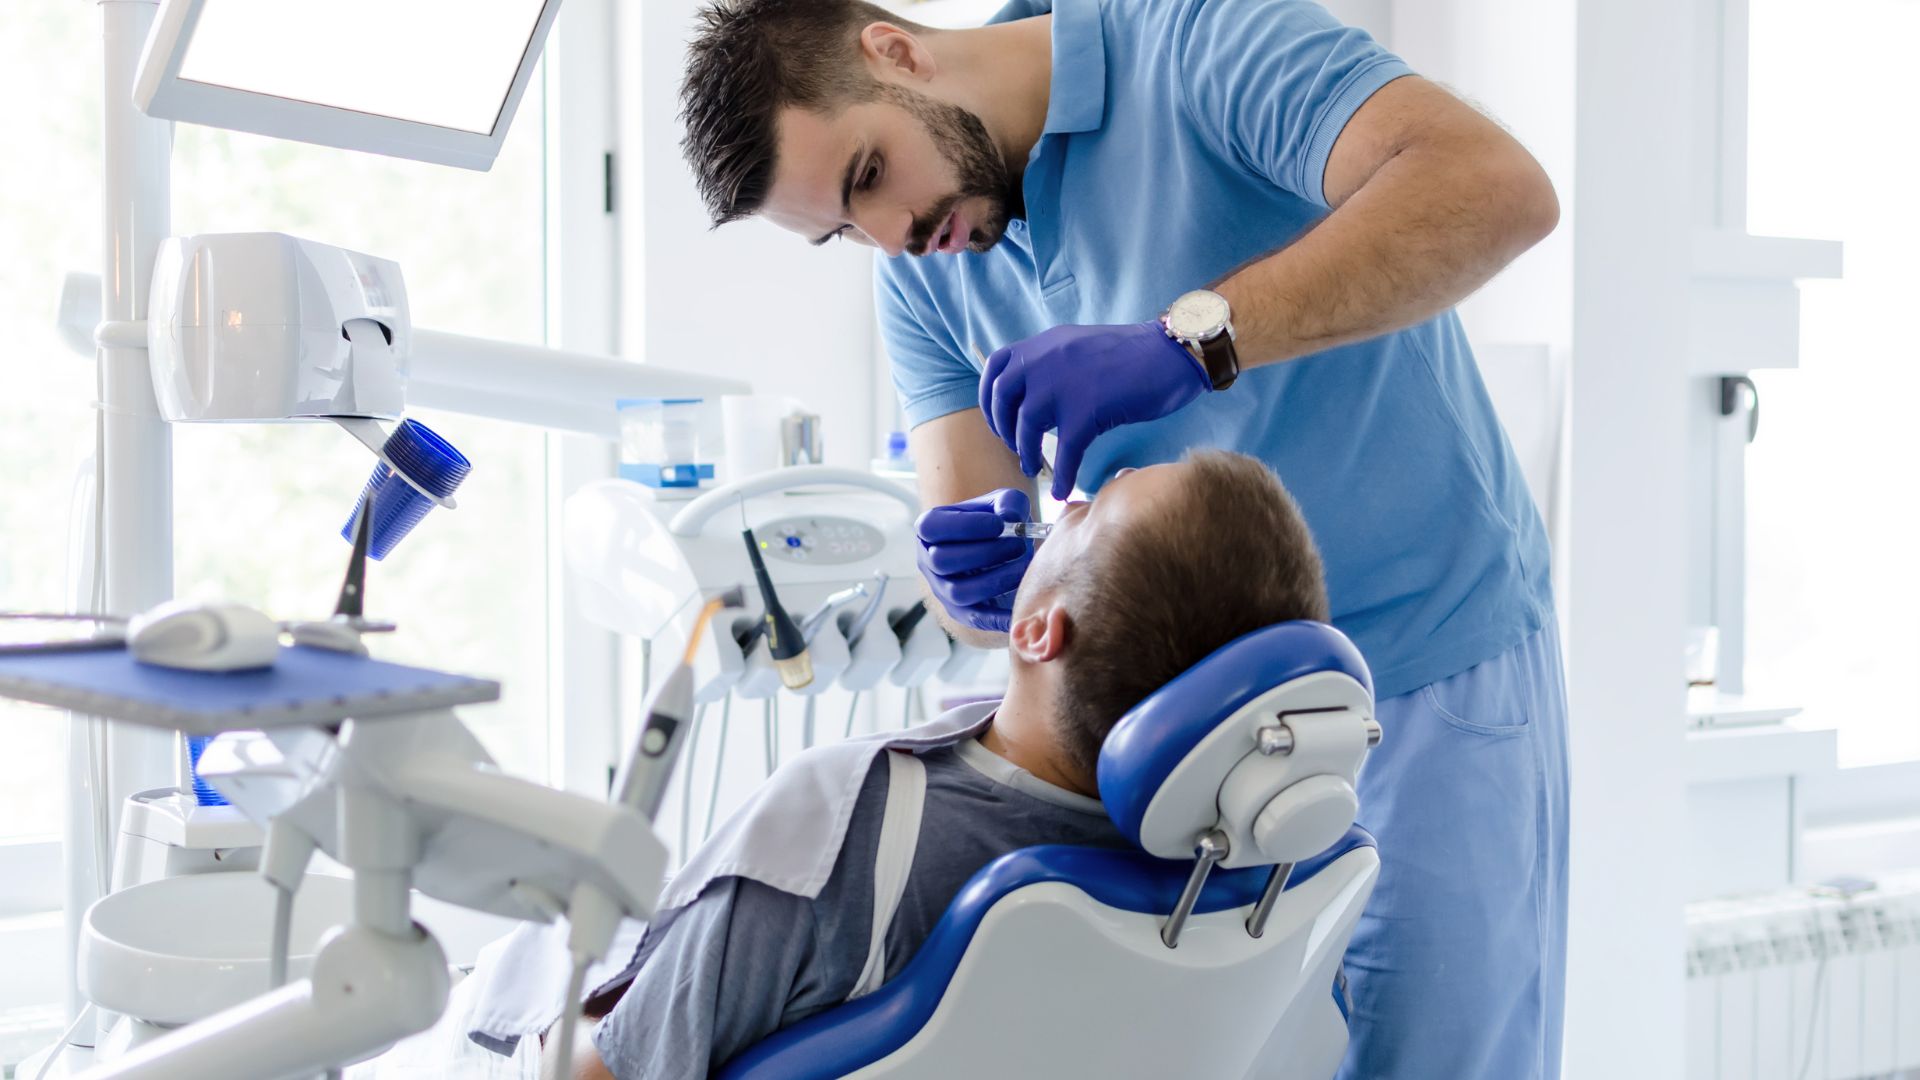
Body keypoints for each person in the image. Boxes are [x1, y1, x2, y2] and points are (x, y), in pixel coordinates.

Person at [675, 2, 1570, 1077]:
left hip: (1419, 676)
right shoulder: (922, 264)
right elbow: (974, 540)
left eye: (870, 175)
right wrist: (967, 576)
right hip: (1173, 754)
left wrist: (1194, 340)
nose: (889, 238)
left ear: (895, 51)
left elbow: (1495, 191)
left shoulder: (1195, 41)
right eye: (842, 229)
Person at [543, 451, 1329, 1078]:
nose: (1071, 498)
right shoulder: (1263, 875)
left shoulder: (838, 827)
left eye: (1087, 512)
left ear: (1036, 634)